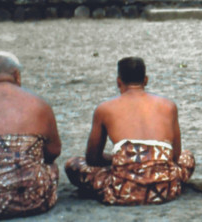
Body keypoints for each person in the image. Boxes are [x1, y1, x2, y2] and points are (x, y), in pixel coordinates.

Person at [65, 57, 194, 205]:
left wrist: (123, 159)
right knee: (187, 157)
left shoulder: (104, 109)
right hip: (165, 189)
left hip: (122, 191)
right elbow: (176, 157)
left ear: (119, 82)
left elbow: (92, 159)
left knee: (73, 164)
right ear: (145, 80)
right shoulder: (168, 106)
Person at [0, 51, 61, 218]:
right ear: (17, 75)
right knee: (53, 168)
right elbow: (53, 152)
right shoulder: (39, 104)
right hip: (32, 200)